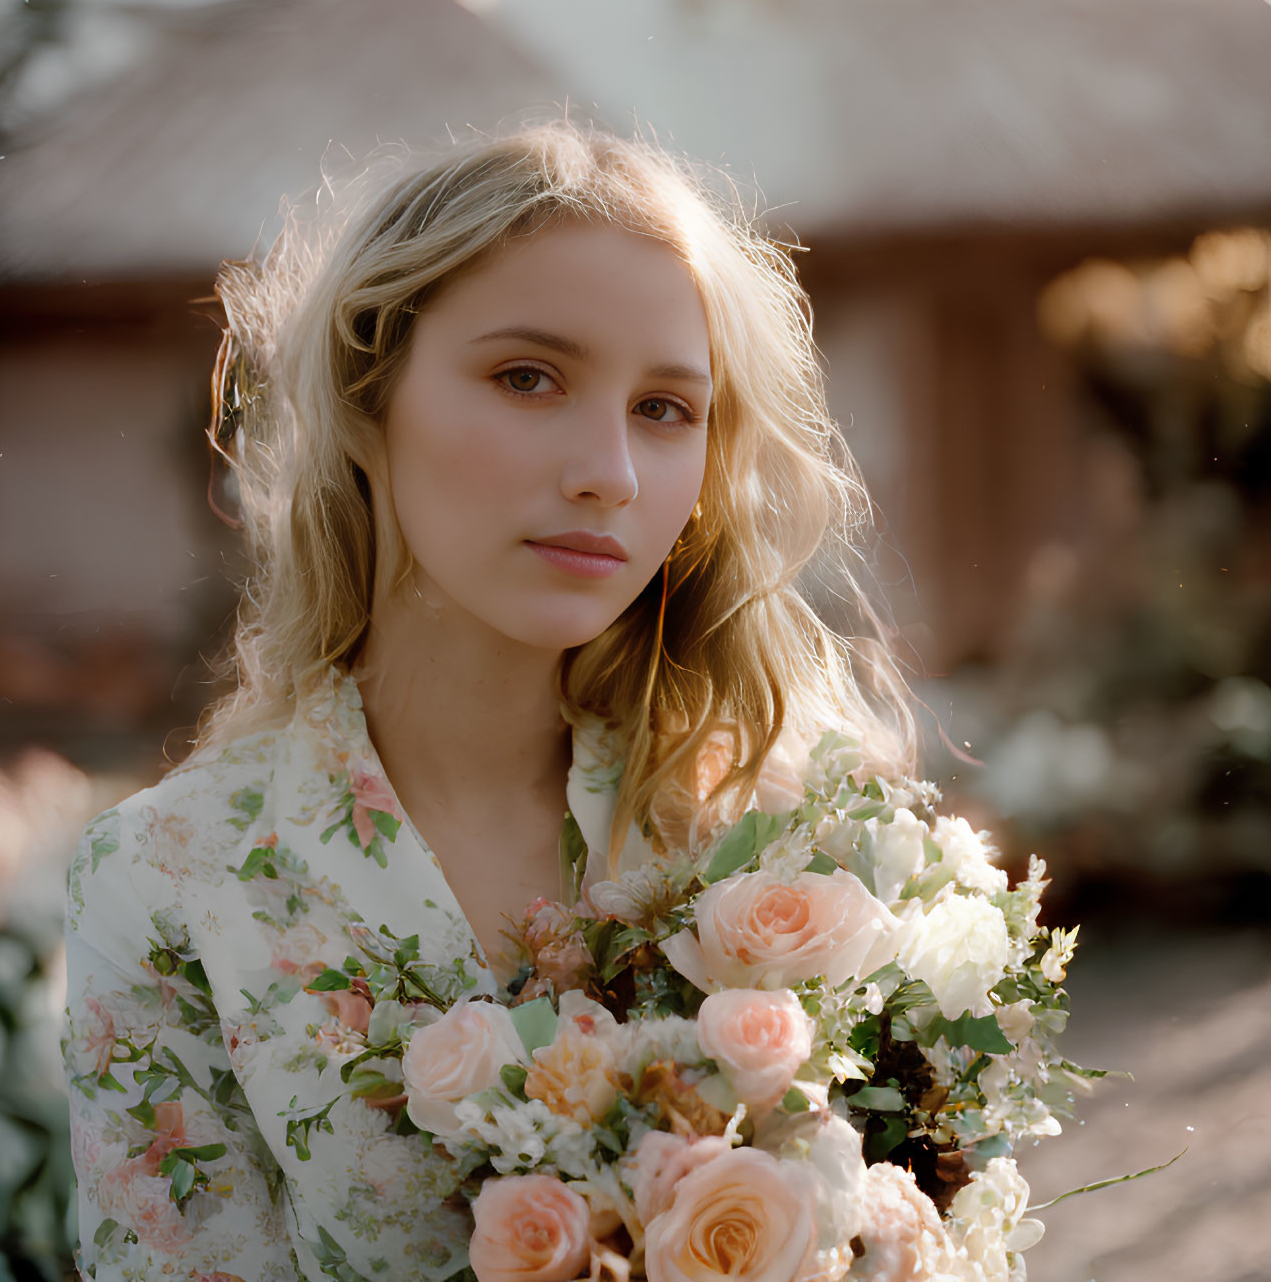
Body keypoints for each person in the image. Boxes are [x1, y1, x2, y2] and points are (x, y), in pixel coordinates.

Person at [61, 120, 915, 1281]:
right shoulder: (167, 882)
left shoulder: (797, 846)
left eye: (667, 408)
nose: (608, 470)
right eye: (528, 377)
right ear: (370, 403)